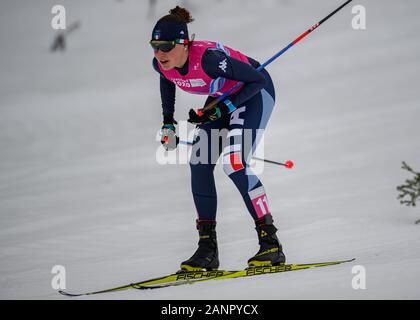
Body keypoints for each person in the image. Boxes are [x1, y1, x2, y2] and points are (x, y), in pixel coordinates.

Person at [150, 6, 286, 271]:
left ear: (183, 43)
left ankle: (271, 243)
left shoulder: (209, 60)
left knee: (234, 162)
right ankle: (207, 249)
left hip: (253, 93)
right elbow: (165, 78)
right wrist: (168, 122)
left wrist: (225, 108)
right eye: (154, 46)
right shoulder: (161, 63)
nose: (159, 53)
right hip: (223, 97)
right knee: (199, 162)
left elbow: (256, 80)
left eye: (166, 46)